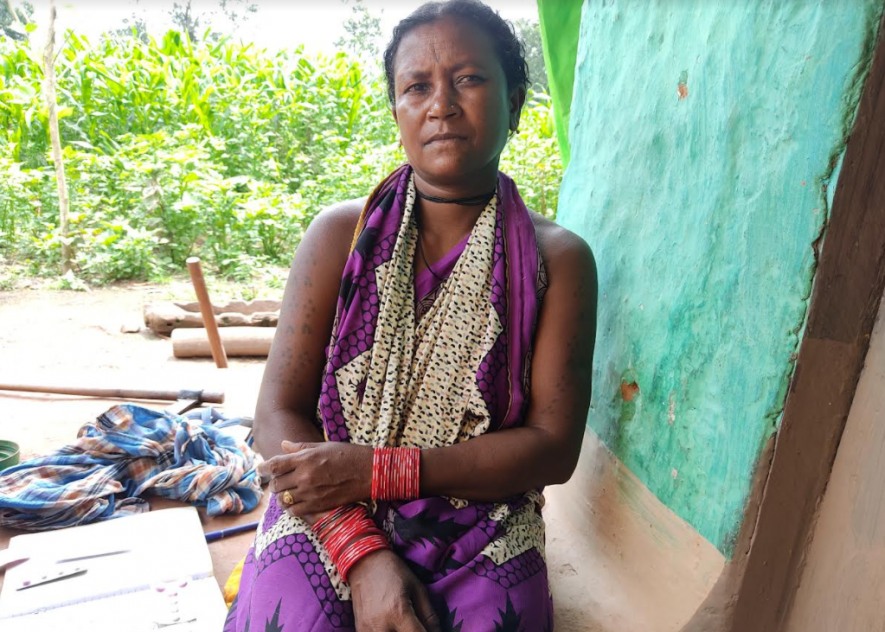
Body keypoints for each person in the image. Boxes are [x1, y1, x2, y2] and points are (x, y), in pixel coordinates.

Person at [224, 1, 597, 631]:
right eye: (416, 86)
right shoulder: (339, 236)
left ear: (516, 99)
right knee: (298, 618)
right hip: (331, 502)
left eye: (470, 79)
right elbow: (276, 414)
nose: (441, 104)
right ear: (396, 111)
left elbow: (552, 450)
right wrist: (359, 549)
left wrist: (379, 468)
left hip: (483, 516)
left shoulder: (557, 259)